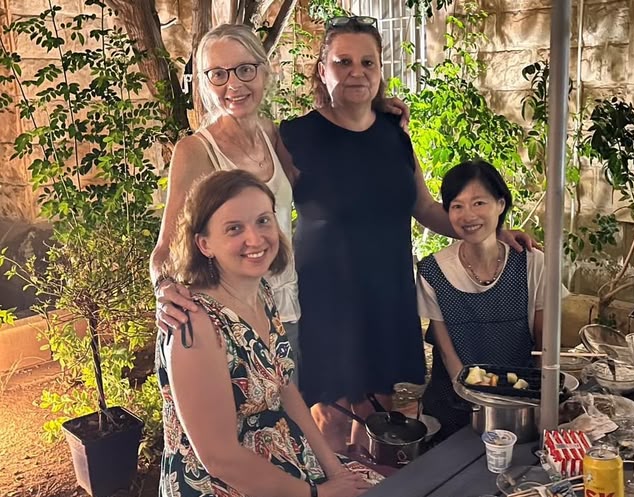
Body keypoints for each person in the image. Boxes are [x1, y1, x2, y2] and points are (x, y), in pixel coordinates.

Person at [277, 16, 536, 452]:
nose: (356, 72)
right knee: (332, 416)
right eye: (343, 62)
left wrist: (494, 230)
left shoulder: (394, 135)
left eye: (368, 62)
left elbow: (426, 208)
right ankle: (333, 480)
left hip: (388, 291)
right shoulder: (294, 136)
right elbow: (268, 214)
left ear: (380, 70)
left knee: (381, 411)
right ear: (322, 69)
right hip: (327, 298)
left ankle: (368, 479)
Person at [150, 24, 410, 383]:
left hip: (285, 308)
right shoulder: (194, 150)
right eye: (218, 74)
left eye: (245, 69)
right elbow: (165, 249)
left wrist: (374, 109)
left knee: (293, 411)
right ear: (205, 83)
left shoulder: (274, 135)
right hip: (227, 316)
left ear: (264, 70)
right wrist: (164, 289)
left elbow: (334, 145)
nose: (234, 85)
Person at [157, 169, 380, 497]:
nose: (255, 239)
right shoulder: (194, 323)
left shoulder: (260, 292)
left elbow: (285, 388)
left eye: (263, 221)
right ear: (204, 244)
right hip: (221, 484)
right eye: (234, 228)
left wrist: (335, 469)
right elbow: (219, 459)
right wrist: (318, 494)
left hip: (280, 456)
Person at [416, 159, 553, 439]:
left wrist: (539, 401)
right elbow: (448, 355)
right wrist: (476, 401)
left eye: (479, 203)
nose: (468, 215)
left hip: (519, 406)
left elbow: (544, 343)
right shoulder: (433, 271)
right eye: (457, 206)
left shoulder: (531, 263)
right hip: (454, 406)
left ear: (500, 205)